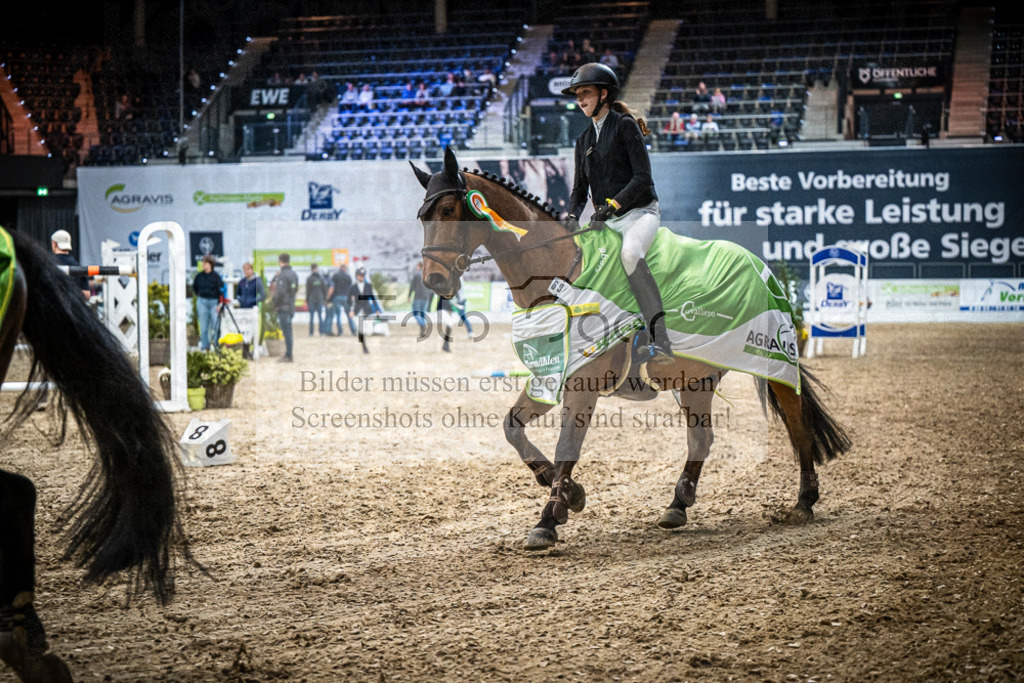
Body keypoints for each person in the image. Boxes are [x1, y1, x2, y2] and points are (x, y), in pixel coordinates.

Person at [560, 62, 673, 365]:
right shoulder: (583, 140)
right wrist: (571, 215)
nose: (580, 99)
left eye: (585, 92)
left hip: (640, 213)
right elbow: (579, 190)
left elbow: (642, 177)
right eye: (577, 95)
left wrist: (612, 206)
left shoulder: (624, 126)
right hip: (608, 222)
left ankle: (661, 339)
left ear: (604, 94)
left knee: (630, 254)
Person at [270, 253, 298, 362]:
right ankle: (288, 353)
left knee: (287, 332)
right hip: (291, 306)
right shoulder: (294, 274)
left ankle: (288, 355)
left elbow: (280, 293)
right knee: (288, 331)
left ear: (280, 261)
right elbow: (295, 289)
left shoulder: (282, 275)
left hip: (283, 307)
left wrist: (275, 305)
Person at [193, 255, 224, 350]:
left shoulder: (216, 276)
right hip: (202, 302)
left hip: (214, 303)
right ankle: (205, 347)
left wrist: (220, 304)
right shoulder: (199, 276)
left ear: (210, 264)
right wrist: (199, 294)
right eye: (203, 262)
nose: (203, 264)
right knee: (203, 327)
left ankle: (216, 347)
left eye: (205, 262)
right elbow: (194, 287)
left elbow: (221, 290)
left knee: (216, 325)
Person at [348, 267, 380, 354]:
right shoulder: (353, 287)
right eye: (360, 275)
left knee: (368, 330)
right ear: (357, 276)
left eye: (363, 275)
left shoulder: (368, 286)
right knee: (361, 330)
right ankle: (364, 347)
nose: (362, 277)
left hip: (367, 309)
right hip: (357, 310)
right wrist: (351, 310)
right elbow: (349, 300)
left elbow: (373, 298)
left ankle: (364, 342)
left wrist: (377, 309)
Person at [50, 229, 90, 299]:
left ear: (54, 243)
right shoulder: (79, 267)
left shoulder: (49, 265)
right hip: (73, 304)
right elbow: (87, 295)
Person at [326, 263, 354, 335]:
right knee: (349, 315)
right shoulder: (348, 277)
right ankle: (353, 331)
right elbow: (351, 289)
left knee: (338, 315)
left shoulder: (335, 276)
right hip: (346, 297)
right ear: (345, 269)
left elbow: (332, 287)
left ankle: (340, 332)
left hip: (337, 297)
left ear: (340, 269)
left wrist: (328, 298)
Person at [407, 261, 432, 339]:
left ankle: (422, 325)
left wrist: (409, 296)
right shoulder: (428, 275)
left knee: (415, 313)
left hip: (418, 297)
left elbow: (412, 286)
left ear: (418, 266)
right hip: (426, 297)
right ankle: (422, 330)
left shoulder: (417, 275)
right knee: (422, 314)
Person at [305, 263, 328, 336]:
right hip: (319, 299)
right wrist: (325, 298)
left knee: (312, 317)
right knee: (320, 316)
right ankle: (321, 332)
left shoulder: (309, 279)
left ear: (311, 269)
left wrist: (307, 299)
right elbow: (324, 289)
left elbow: (308, 290)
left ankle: (311, 333)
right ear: (317, 269)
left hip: (312, 299)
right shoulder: (321, 278)